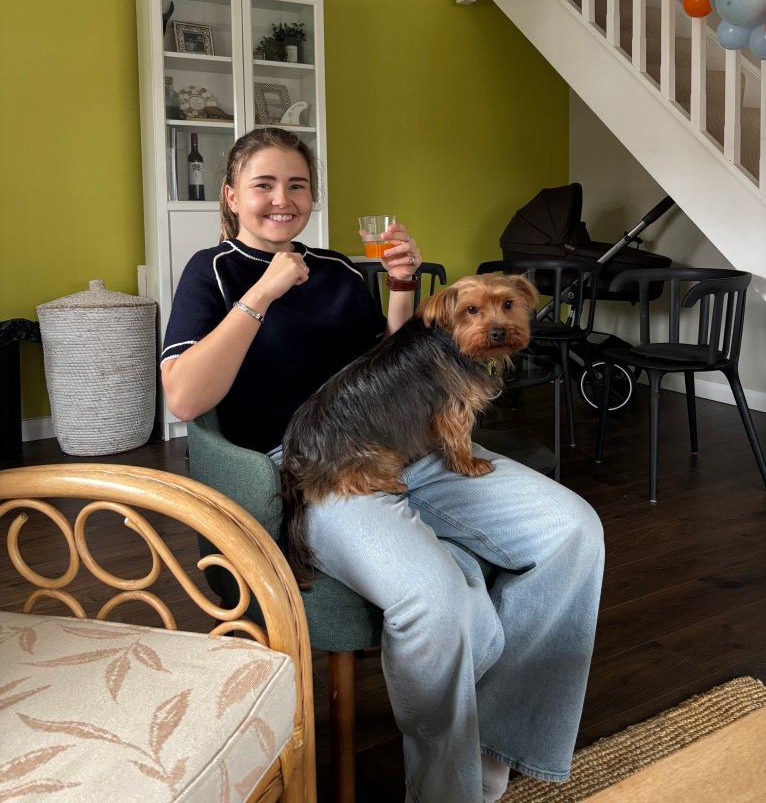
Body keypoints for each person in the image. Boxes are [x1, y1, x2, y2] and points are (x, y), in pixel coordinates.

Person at [161, 126, 604, 803]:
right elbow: (186, 397)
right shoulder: (212, 270)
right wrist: (263, 294)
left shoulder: (338, 270)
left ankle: (498, 741)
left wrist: (400, 285)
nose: (282, 199)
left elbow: (390, 364)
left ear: (312, 196)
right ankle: (446, 791)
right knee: (436, 599)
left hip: (411, 442)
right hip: (318, 468)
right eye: (263, 185)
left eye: (297, 185)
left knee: (574, 532)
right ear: (231, 197)